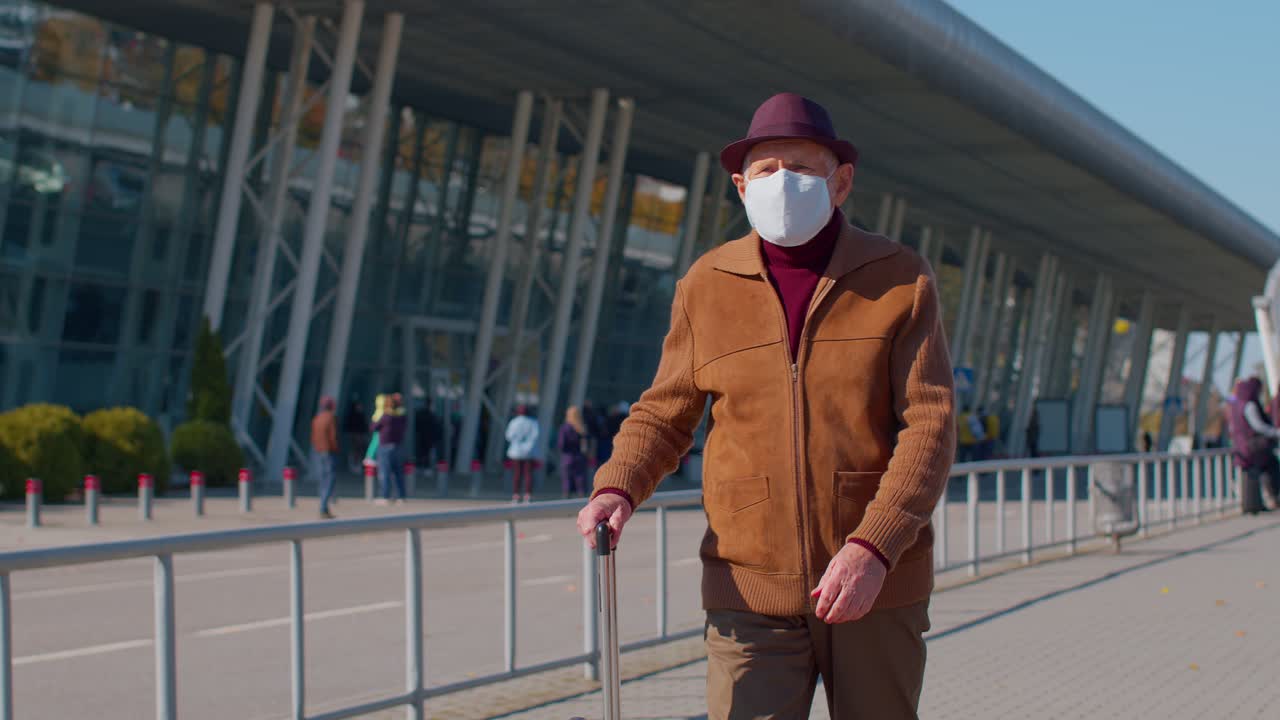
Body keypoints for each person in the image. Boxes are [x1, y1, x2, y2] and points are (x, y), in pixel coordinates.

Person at [575, 93, 954, 719]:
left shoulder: (900, 278)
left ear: (842, 182)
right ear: (740, 186)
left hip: (875, 583)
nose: (784, 184)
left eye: (803, 168)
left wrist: (875, 546)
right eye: (766, 170)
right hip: (746, 584)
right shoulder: (706, 284)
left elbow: (929, 427)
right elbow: (665, 411)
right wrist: (616, 487)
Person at [1227, 377, 1280, 513]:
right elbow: (1258, 426)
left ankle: (1252, 504)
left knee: (1252, 474)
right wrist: (1275, 432)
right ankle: (1264, 501)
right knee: (1269, 467)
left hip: (1241, 446)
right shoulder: (1249, 405)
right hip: (1253, 446)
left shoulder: (1235, 404)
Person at [372, 393, 408, 505]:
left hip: (385, 446)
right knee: (398, 473)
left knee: (385, 472)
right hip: (397, 446)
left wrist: (378, 414)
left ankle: (385, 496)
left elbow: (373, 427)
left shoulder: (386, 417)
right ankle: (401, 496)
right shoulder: (402, 417)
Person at [310, 396, 339, 519]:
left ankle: (324, 507)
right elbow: (333, 436)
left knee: (323, 478)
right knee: (330, 479)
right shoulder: (331, 418)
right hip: (329, 451)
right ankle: (323, 506)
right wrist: (336, 448)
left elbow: (313, 436)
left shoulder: (317, 418)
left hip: (320, 451)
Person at [505, 405, 540, 503]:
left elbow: (508, 436)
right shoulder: (533, 422)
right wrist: (527, 446)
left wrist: (518, 442)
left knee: (517, 474)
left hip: (516, 451)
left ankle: (516, 495)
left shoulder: (514, 422)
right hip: (529, 452)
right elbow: (535, 436)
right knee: (528, 474)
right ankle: (527, 495)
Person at [558, 406, 589, 498]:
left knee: (567, 478)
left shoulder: (565, 428)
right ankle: (580, 497)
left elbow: (561, 444)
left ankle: (566, 497)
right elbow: (585, 444)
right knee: (580, 478)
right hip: (579, 456)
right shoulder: (582, 428)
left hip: (568, 456)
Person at [342, 397, 367, 472]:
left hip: (359, 434)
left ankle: (356, 464)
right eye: (359, 406)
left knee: (359, 449)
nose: (361, 407)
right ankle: (353, 465)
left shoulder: (361, 415)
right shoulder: (354, 415)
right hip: (355, 434)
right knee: (355, 450)